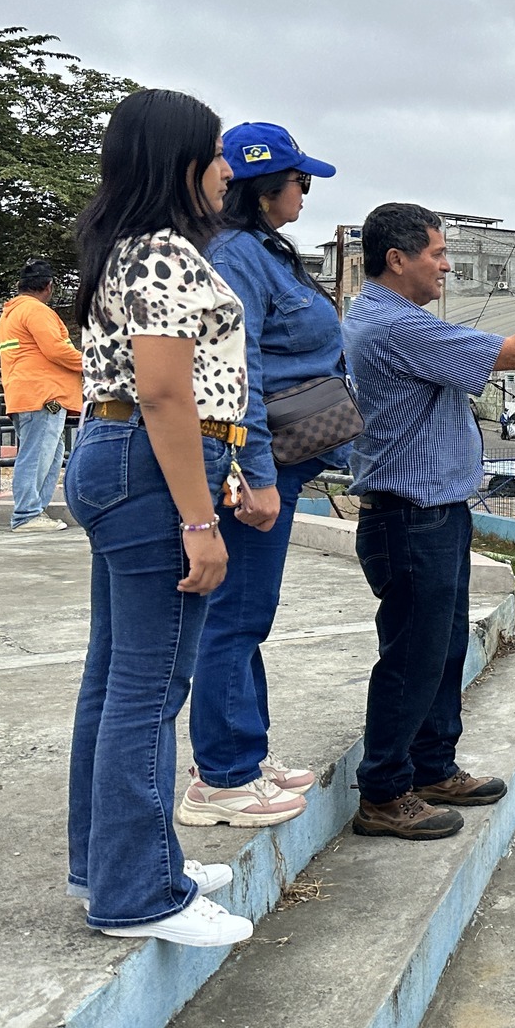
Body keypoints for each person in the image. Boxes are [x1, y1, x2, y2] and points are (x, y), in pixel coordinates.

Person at [342, 202, 515, 840]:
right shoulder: (394, 324)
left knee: (442, 648)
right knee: (412, 656)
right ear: (397, 259)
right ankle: (384, 792)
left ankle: (431, 767)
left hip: (432, 514)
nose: (446, 265)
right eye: (438, 253)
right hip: (409, 519)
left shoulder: (393, 318)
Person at [63, 88, 253, 948]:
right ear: (181, 163)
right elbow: (167, 392)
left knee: (114, 679)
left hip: (122, 457)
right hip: (154, 465)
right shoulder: (166, 253)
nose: (226, 170)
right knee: (149, 687)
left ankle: (109, 863)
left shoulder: (126, 247)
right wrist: (198, 523)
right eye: (215, 154)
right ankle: (139, 894)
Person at [179, 123, 346, 829]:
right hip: (258, 458)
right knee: (239, 614)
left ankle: (242, 752)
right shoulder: (237, 254)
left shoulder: (262, 249)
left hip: (280, 455)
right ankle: (223, 776)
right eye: (300, 182)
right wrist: (255, 473)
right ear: (265, 188)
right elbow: (232, 370)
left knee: (248, 611)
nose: (304, 194)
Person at [0, 260, 82, 531]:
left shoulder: (12, 312)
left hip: (29, 395)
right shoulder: (36, 311)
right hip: (45, 396)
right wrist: (94, 362)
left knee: (49, 455)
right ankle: (27, 514)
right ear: (48, 286)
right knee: (37, 456)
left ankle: (35, 512)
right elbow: (57, 350)